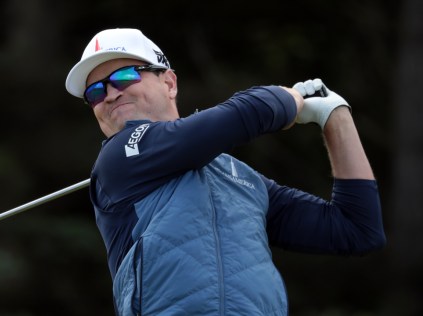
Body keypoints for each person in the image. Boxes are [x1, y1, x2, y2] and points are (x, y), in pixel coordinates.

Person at [65, 28, 386, 316]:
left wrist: (336, 117)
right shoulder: (119, 157)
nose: (109, 95)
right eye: (94, 93)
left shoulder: (242, 179)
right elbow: (251, 112)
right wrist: (292, 98)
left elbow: (356, 229)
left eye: (123, 78)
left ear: (169, 82)